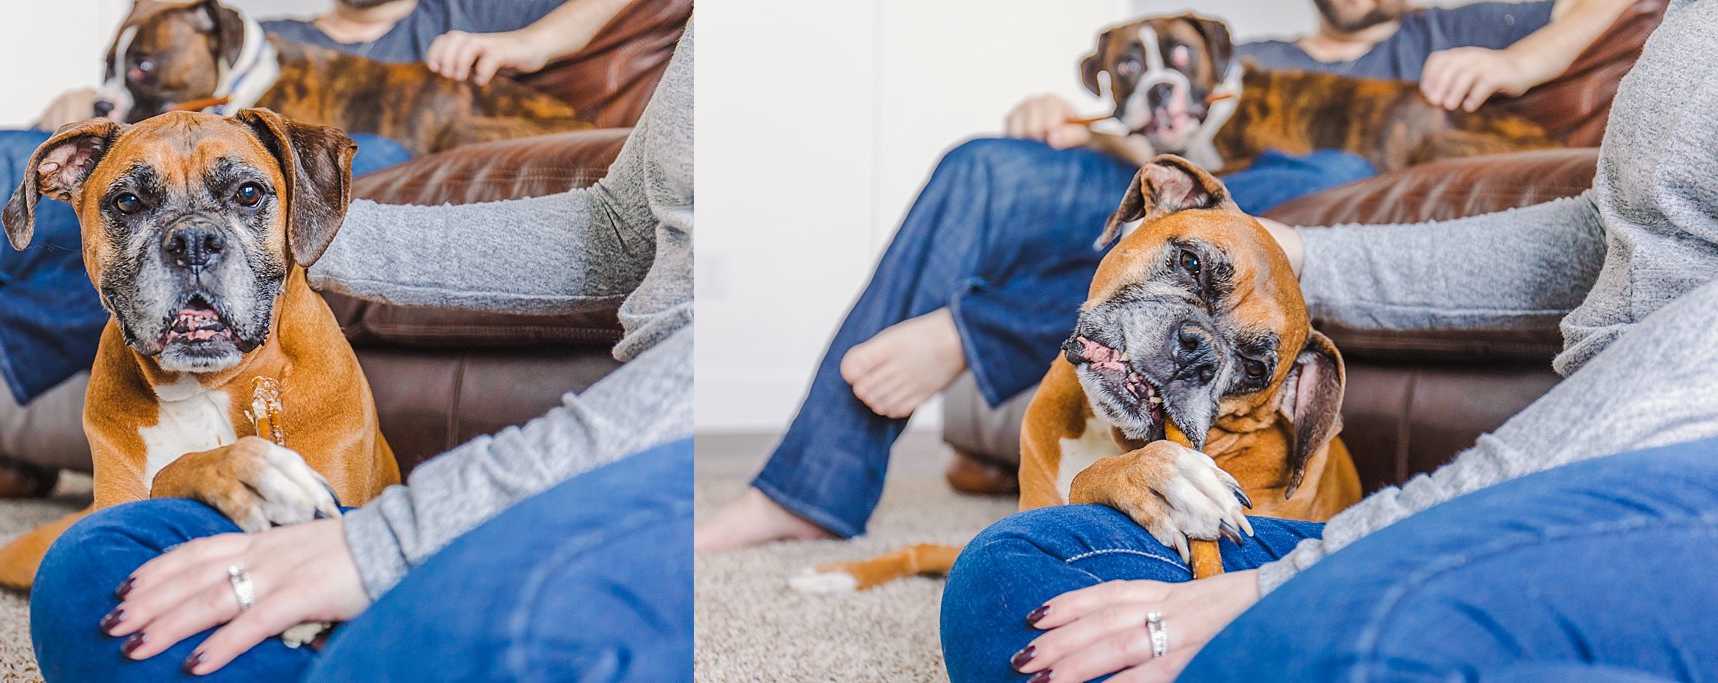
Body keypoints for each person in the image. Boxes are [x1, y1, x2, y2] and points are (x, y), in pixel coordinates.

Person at [0, 0, 633, 566]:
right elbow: (156, 162)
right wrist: (84, 111)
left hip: (345, 174)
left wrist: (541, 42)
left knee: (309, 172)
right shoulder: (261, 31)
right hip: (195, 171)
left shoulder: (467, 19)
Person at [940, 2, 1718, 681]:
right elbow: (1603, 233)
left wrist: (1287, 583)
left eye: (1244, 361)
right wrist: (1305, 252)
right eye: (1187, 262)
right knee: (1007, 579)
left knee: (1350, 644)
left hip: (1664, 484)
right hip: (1574, 496)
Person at [694, 0, 1638, 552]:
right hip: (1178, 196)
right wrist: (1063, 119)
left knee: (1314, 177)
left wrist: (1528, 54)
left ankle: (974, 330)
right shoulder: (1249, 55)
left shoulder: (1450, 29)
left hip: (1285, 221)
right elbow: (1167, 174)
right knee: (983, 161)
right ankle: (807, 487)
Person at [27, 24, 692, 681]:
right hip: (653, 434)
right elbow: (616, 232)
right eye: (132, 203)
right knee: (78, 577)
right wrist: (295, 233)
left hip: (660, 459)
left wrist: (377, 546)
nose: (195, 245)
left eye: (248, 196)